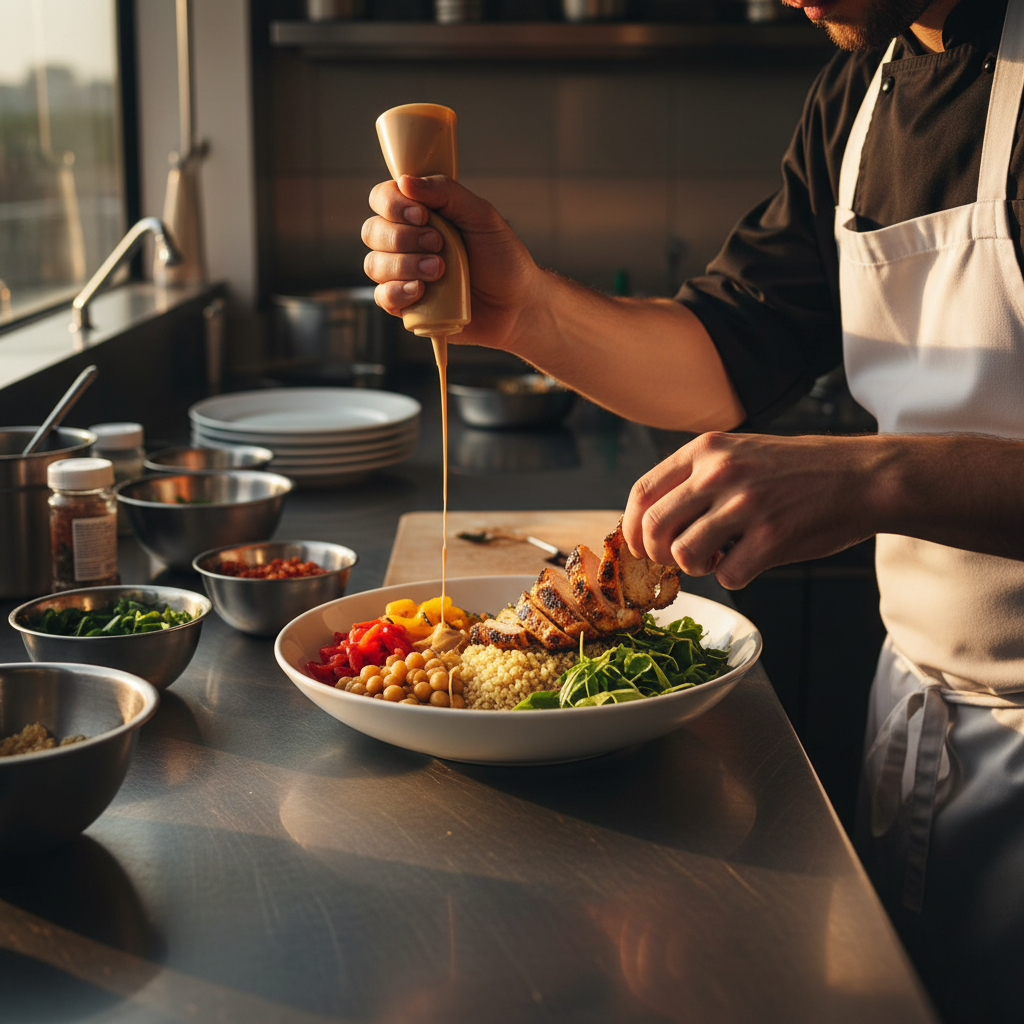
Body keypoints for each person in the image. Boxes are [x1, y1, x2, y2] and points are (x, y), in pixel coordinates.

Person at [362, 0, 1024, 1019]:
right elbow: (725, 353)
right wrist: (526, 310)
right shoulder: (861, 87)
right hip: (920, 721)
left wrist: (873, 477)